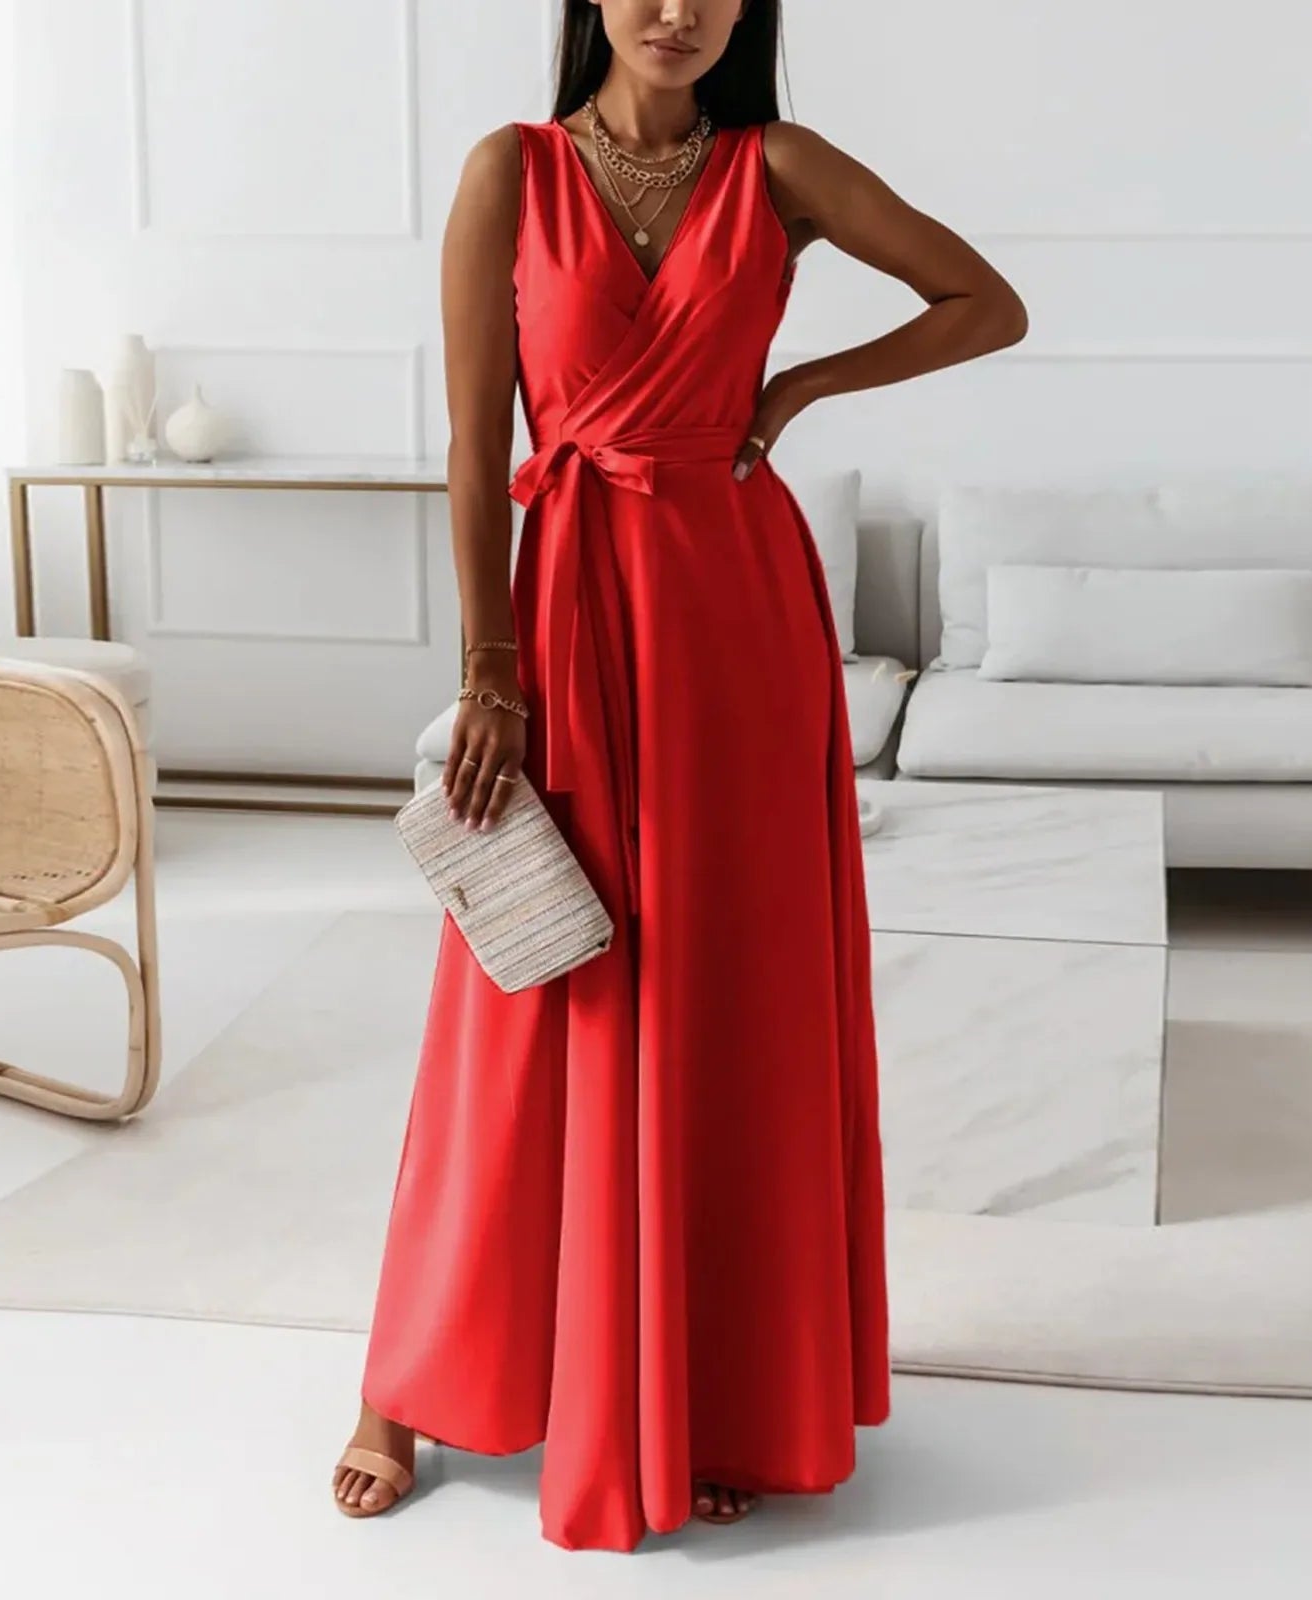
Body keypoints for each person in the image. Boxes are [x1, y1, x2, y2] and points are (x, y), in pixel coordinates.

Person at [332, 0, 1027, 1552]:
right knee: (529, 980)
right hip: (569, 605)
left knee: (721, 989)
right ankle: (408, 1379)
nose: (674, 10)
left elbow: (988, 304)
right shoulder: (509, 173)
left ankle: (692, 1386)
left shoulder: (777, 166)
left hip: (735, 612)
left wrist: (793, 393)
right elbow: (470, 447)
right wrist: (486, 672)